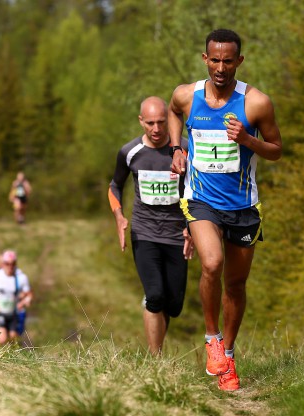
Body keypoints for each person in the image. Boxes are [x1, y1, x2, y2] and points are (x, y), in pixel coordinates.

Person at [168, 28, 282, 391]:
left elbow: (276, 148)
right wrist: (176, 148)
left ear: (239, 61)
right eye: (214, 60)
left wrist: (248, 140)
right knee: (212, 263)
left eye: (227, 61)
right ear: (205, 59)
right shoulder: (187, 96)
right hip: (201, 199)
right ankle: (211, 339)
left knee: (235, 284)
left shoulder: (256, 103)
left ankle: (228, 356)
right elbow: (173, 113)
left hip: (244, 206)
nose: (220, 67)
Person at [108, 96, 193, 355]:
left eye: (161, 122)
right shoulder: (130, 152)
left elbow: (198, 190)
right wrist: (119, 216)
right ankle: (155, 360)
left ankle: (157, 343)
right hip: (144, 233)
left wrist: (193, 227)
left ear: (169, 119)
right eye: (150, 123)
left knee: (173, 304)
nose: (156, 129)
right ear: (141, 121)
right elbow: (114, 186)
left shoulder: (185, 149)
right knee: (155, 296)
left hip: (177, 235)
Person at [0, 250, 33, 345]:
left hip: (13, 313)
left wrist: (24, 302)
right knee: (2, 339)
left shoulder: (21, 277)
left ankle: (5, 357)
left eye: (13, 264)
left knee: (13, 340)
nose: (10, 266)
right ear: (3, 263)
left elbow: (29, 294)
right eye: (7, 264)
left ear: (16, 263)